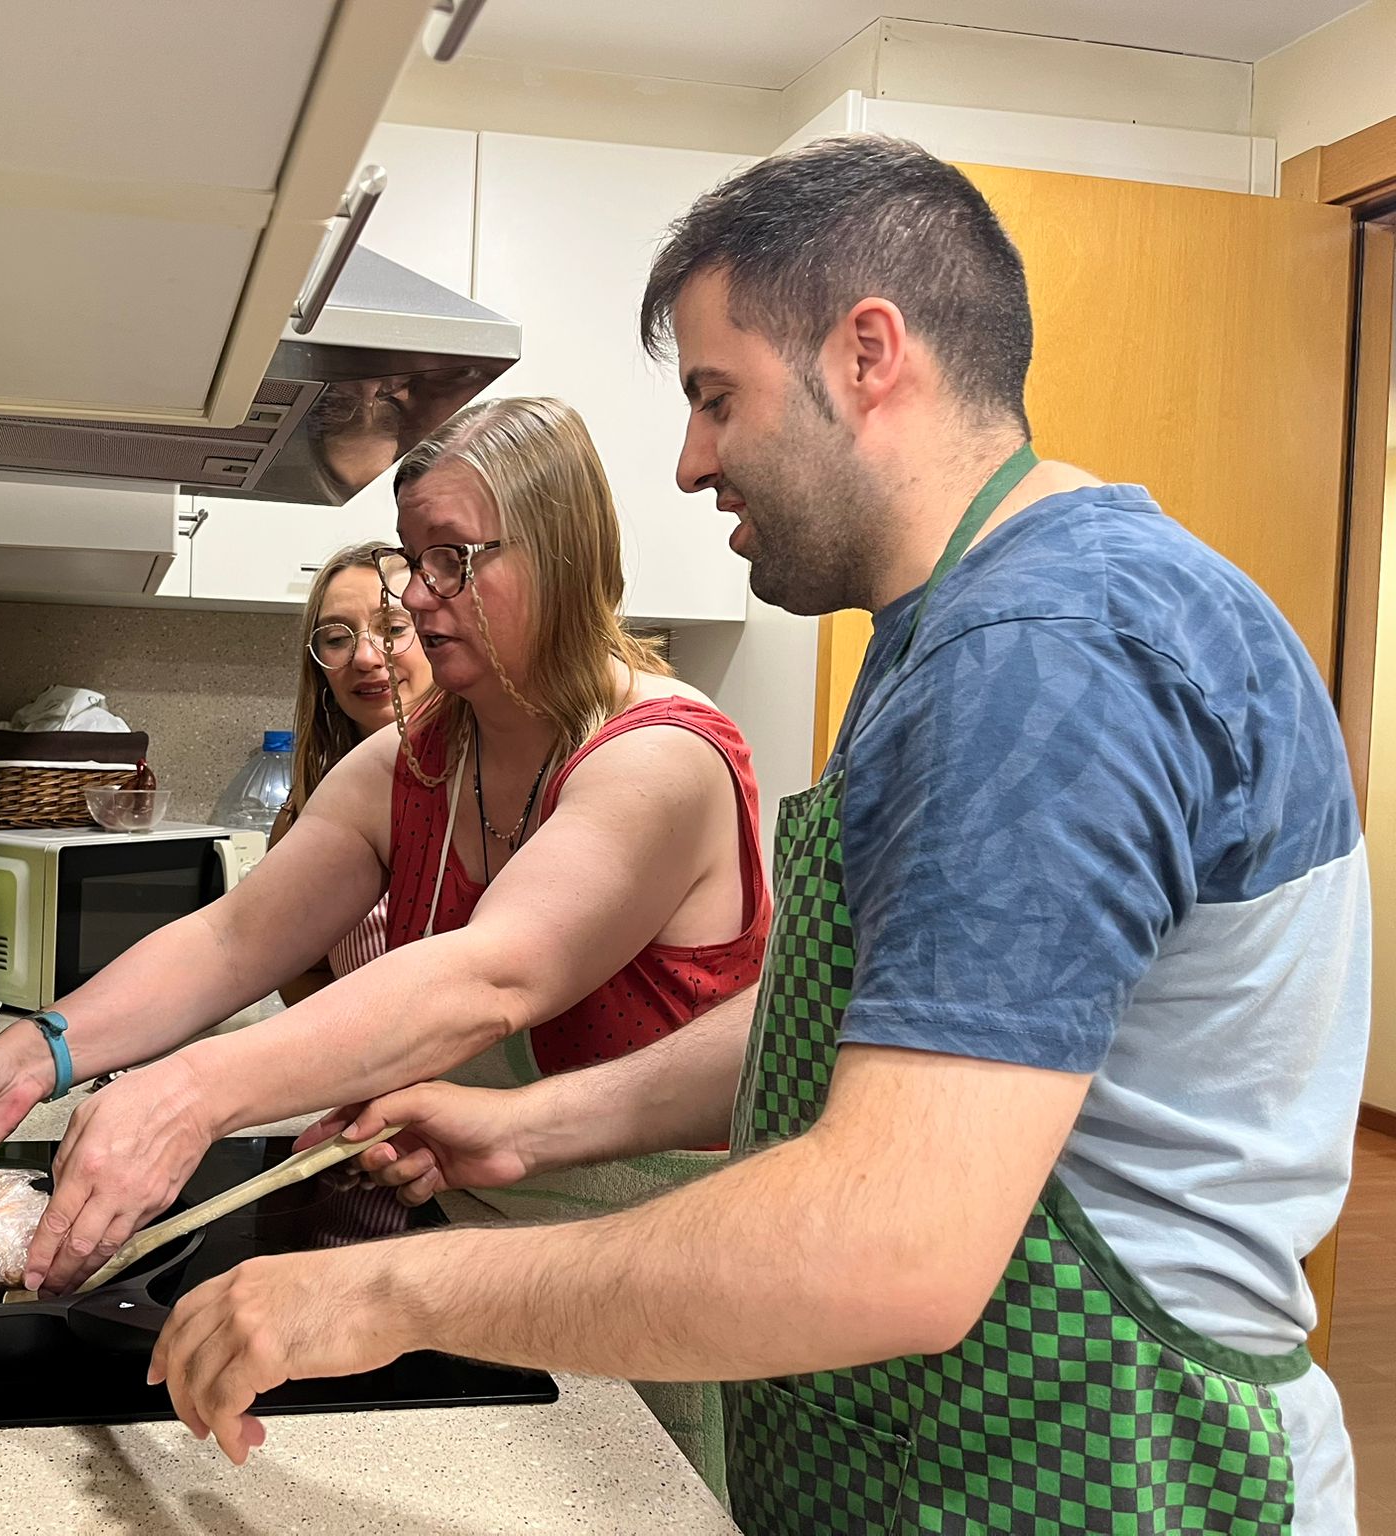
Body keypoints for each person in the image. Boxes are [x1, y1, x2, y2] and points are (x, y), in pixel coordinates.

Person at [146, 136, 1368, 1535]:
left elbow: (891, 1244)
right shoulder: (964, 631)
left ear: (868, 353)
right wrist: (535, 1123)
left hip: (1112, 1486)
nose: (688, 463)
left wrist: (388, 1290)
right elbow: (878, 1016)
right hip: (953, 1468)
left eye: (716, 398)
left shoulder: (1044, 658)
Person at [0, 401, 769, 1375]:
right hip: (467, 1248)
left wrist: (187, 1094)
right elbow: (232, 941)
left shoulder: (659, 760)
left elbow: (492, 978)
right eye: (411, 560)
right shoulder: (413, 763)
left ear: (560, 554)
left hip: (654, 1269)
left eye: (451, 560)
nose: (419, 596)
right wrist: (33, 1052)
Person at [271, 541, 435, 1004]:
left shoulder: (502, 791)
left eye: (394, 628)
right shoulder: (303, 815)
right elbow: (300, 973)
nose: (365, 656)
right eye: (337, 638)